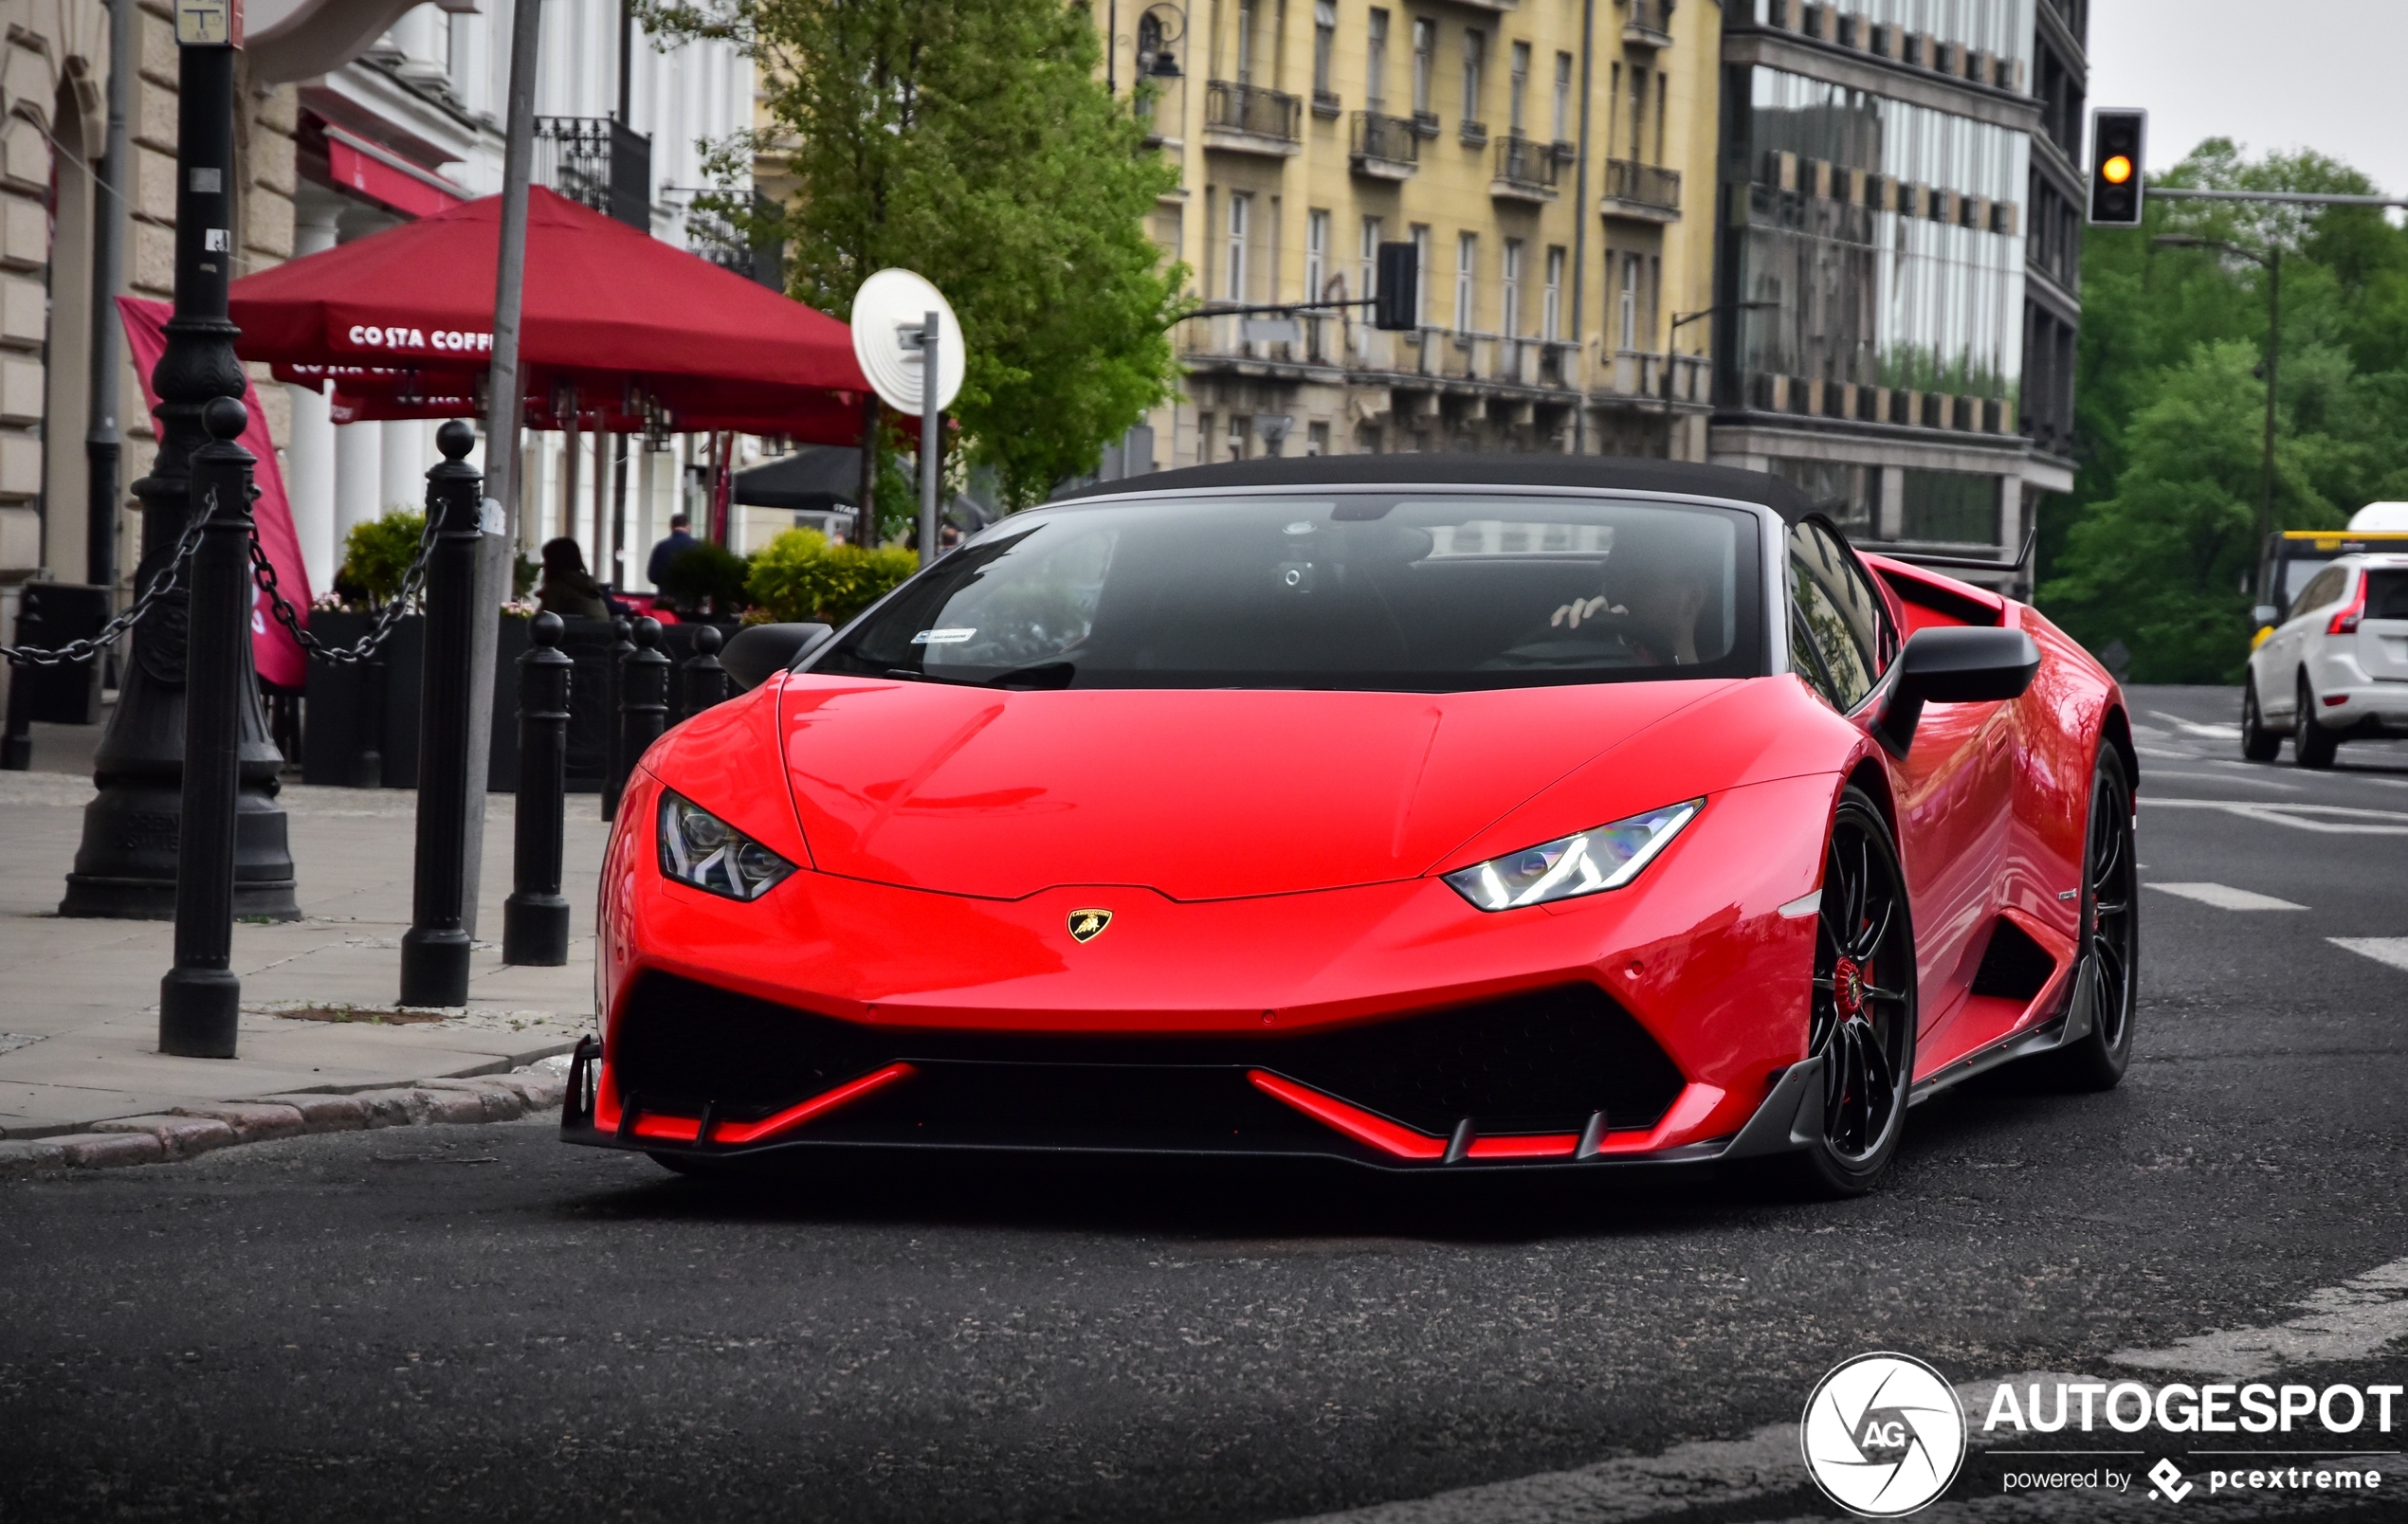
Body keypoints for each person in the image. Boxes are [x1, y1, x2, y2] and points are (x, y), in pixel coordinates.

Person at [534, 536, 611, 621]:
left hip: (576, 632)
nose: (543, 565)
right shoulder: (586, 584)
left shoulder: (558, 587)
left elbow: (545, 620)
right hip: (601, 631)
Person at [648, 513, 697, 587]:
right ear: (688, 527)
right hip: (690, 595)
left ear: (671, 527)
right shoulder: (697, 547)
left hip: (667, 594)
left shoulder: (661, 547)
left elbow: (653, 576)